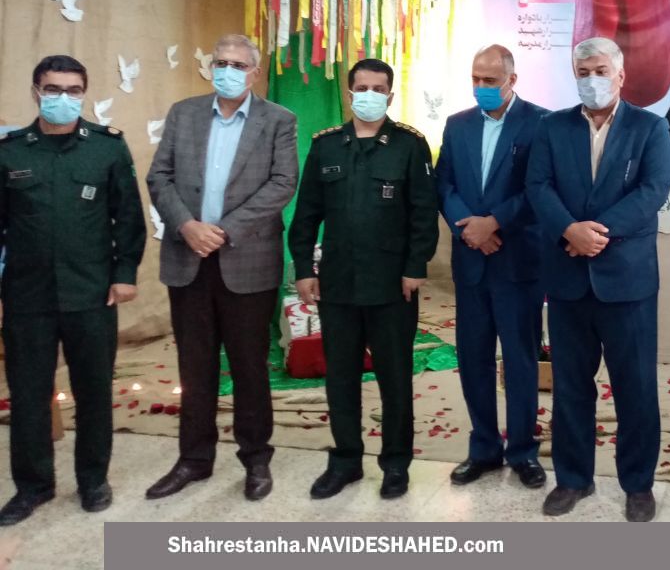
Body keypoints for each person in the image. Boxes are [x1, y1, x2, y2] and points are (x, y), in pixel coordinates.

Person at [526, 36, 670, 522]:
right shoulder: (552, 127)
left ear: (620, 75)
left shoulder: (650, 127)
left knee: (635, 388)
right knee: (571, 386)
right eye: (583, 72)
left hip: (627, 283)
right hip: (568, 280)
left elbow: (654, 189)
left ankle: (638, 483)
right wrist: (569, 230)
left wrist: (595, 234)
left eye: (600, 71)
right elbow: (538, 186)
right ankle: (573, 478)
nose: (592, 80)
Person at [146, 34, 298, 502]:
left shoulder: (279, 120)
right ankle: (194, 459)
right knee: (195, 367)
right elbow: (159, 176)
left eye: (237, 64)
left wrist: (225, 230)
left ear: (254, 72)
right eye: (220, 62)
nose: (227, 71)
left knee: (250, 366)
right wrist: (187, 225)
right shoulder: (184, 113)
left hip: (246, 260)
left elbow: (282, 183)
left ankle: (255, 458)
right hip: (187, 257)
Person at [0, 56, 145, 525]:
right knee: (28, 395)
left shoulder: (107, 148)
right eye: (52, 89)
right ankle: (33, 487)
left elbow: (128, 217)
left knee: (93, 391)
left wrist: (125, 273)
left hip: (92, 293)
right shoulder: (10, 153)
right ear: (35, 92)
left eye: (73, 90)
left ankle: (93, 480)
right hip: (27, 296)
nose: (63, 98)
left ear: (84, 93)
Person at [288, 58, 437, 500]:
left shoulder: (409, 144)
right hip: (338, 282)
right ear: (349, 93)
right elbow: (306, 213)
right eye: (362, 88)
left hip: (392, 284)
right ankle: (346, 461)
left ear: (390, 96)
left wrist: (415, 267)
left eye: (378, 88)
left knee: (395, 378)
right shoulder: (326, 145)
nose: (369, 95)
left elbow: (423, 212)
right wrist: (303, 268)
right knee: (341, 378)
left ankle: (396, 464)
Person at [437, 45, 549, 491]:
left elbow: (541, 188)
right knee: (474, 359)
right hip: (471, 261)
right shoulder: (457, 124)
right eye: (476, 79)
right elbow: (443, 183)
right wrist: (468, 227)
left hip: (518, 262)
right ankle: (483, 447)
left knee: (520, 360)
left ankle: (522, 451)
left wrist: (495, 222)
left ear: (511, 80)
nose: (481, 87)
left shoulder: (540, 123)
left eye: (490, 80)